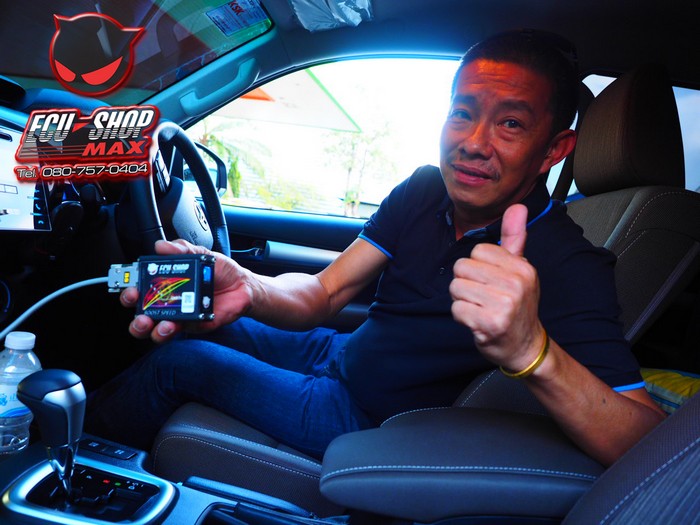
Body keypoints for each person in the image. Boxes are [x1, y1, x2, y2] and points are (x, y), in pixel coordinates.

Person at [85, 30, 665, 466]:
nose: (472, 142)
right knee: (184, 314)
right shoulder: (424, 190)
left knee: (179, 363)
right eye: (463, 113)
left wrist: (531, 351)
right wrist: (251, 286)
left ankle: (67, 461)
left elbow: (648, 441)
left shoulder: (568, 261)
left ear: (554, 149)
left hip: (368, 417)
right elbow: (324, 291)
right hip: (337, 353)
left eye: (510, 124)